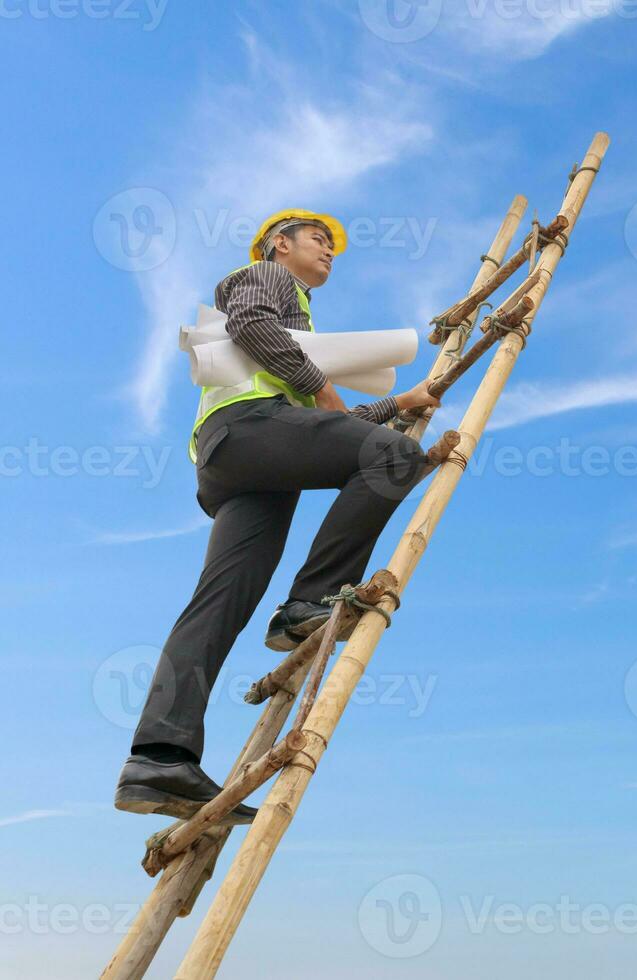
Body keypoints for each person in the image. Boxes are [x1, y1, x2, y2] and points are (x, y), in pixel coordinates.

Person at [115, 209, 440, 822]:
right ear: (278, 244)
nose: (329, 252)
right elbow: (252, 329)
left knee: (220, 602)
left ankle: (159, 758)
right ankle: (308, 602)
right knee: (398, 455)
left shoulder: (297, 326)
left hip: (244, 462)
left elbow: (318, 423)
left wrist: (399, 401)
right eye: (319, 240)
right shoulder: (266, 279)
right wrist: (321, 388)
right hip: (250, 433)